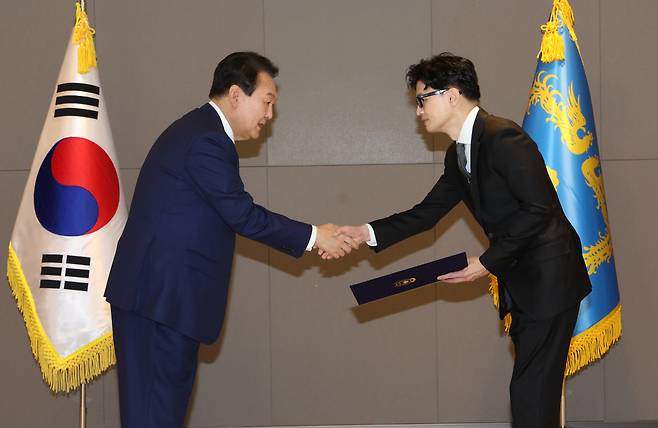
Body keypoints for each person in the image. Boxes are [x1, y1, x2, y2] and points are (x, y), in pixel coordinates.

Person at [336, 53, 591, 427]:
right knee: (533, 394)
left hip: (550, 281)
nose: (419, 111)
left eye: (423, 99)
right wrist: (365, 233)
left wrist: (486, 263)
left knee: (530, 394)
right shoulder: (459, 155)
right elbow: (427, 213)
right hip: (523, 284)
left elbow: (540, 210)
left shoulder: (503, 137)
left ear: (452, 95)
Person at [105, 51, 356, 428]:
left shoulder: (200, 132)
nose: (270, 115)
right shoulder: (207, 140)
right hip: (160, 303)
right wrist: (314, 236)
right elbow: (242, 214)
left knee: (158, 416)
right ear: (236, 95)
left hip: (161, 302)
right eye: (267, 102)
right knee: (154, 417)